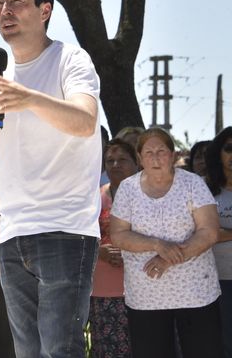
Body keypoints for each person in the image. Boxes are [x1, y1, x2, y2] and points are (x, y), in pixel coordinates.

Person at [0, 0, 101, 358]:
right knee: (28, 353)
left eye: (16, 0)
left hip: (65, 227)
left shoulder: (70, 60)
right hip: (13, 233)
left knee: (61, 350)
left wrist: (27, 99)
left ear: (45, 9)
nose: (5, 10)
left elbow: (84, 121)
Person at [110, 127, 222, 358]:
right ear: (140, 158)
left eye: (161, 151)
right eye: (148, 152)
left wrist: (167, 259)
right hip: (145, 295)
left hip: (195, 292)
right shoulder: (128, 189)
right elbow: (119, 235)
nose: (155, 157)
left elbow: (209, 232)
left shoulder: (193, 184)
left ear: (172, 155)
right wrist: (157, 245)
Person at [89, 139, 138, 358]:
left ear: (136, 163)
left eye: (122, 160)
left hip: (145, 285)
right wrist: (100, 251)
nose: (116, 164)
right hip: (104, 287)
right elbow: (81, 235)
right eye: (110, 160)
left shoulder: (150, 195)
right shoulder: (94, 197)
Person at [205, 126, 232, 358]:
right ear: (218, 153)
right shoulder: (205, 189)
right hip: (215, 282)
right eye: (229, 149)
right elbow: (207, 233)